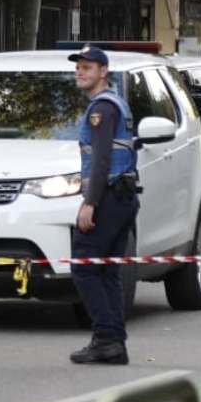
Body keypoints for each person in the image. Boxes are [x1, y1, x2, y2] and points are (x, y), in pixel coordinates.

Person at [66, 46, 139, 365]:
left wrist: (90, 203)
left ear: (103, 71)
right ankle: (113, 342)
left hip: (108, 196)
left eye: (87, 67)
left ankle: (107, 338)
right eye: (78, 67)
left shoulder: (102, 109)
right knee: (107, 270)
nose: (80, 72)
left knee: (84, 266)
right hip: (123, 196)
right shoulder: (115, 103)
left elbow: (101, 160)